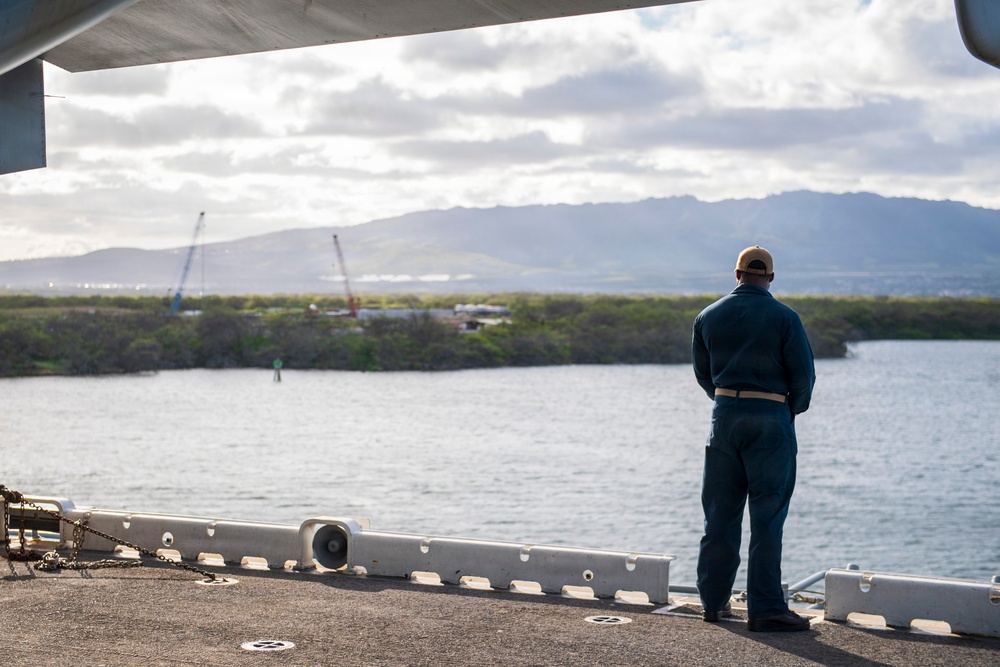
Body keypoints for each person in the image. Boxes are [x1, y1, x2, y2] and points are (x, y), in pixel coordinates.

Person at [691, 245, 816, 632]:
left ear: (737, 274)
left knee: (720, 514)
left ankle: (713, 604)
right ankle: (764, 609)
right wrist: (784, 409)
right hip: (771, 419)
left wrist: (727, 402)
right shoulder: (785, 317)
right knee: (767, 517)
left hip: (724, 417)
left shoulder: (707, 316)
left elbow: (703, 374)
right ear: (771, 278)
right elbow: (804, 379)